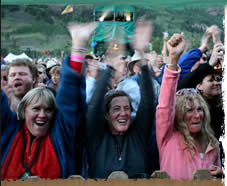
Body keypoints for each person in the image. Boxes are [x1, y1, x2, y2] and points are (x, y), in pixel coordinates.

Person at [1, 22, 92, 180]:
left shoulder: (60, 136)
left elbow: (69, 96)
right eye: (36, 109)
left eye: (48, 110)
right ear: (24, 111)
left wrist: (78, 47)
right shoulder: (9, 130)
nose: (42, 115)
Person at [86, 20, 156, 178]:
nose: (123, 113)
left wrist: (142, 56)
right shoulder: (97, 137)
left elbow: (148, 103)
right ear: (106, 115)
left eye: (127, 108)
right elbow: (94, 106)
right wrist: (109, 68)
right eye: (116, 109)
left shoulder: (137, 135)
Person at [156, 32, 223, 180]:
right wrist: (173, 59)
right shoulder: (168, 138)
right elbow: (165, 106)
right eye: (189, 110)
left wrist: (221, 175)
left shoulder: (213, 144)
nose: (197, 115)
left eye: (200, 109)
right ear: (179, 114)